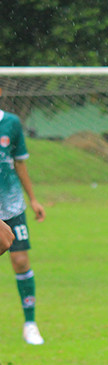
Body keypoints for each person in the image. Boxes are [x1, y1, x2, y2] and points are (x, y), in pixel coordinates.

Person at [0, 88, 46, 345]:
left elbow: (20, 164)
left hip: (11, 204)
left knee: (19, 260)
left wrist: (33, 199)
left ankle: (30, 324)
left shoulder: (12, 123)